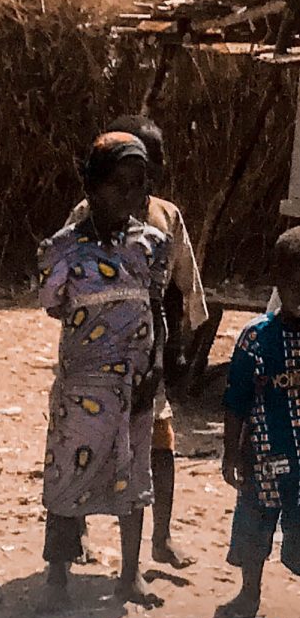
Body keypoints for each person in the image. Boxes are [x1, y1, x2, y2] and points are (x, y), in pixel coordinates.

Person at [39, 132, 167, 607]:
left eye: (140, 185)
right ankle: (57, 576)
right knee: (66, 474)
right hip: (83, 386)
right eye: (120, 184)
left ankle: (130, 575)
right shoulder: (62, 250)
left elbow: (157, 306)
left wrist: (156, 366)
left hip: (137, 383)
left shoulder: (152, 244)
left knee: (134, 475)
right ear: (92, 187)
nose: (131, 195)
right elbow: (54, 304)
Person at [108, 111, 209, 568]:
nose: (157, 168)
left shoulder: (166, 217)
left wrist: (181, 347)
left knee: (161, 448)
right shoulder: (90, 216)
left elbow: (185, 282)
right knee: (90, 453)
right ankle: (73, 538)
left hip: (150, 359)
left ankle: (161, 537)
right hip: (99, 360)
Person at [216, 229, 300, 618]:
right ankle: (249, 594)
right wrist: (231, 452)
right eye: (296, 285)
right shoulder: (256, 338)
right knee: (252, 528)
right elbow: (236, 401)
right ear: (278, 282)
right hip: (262, 457)